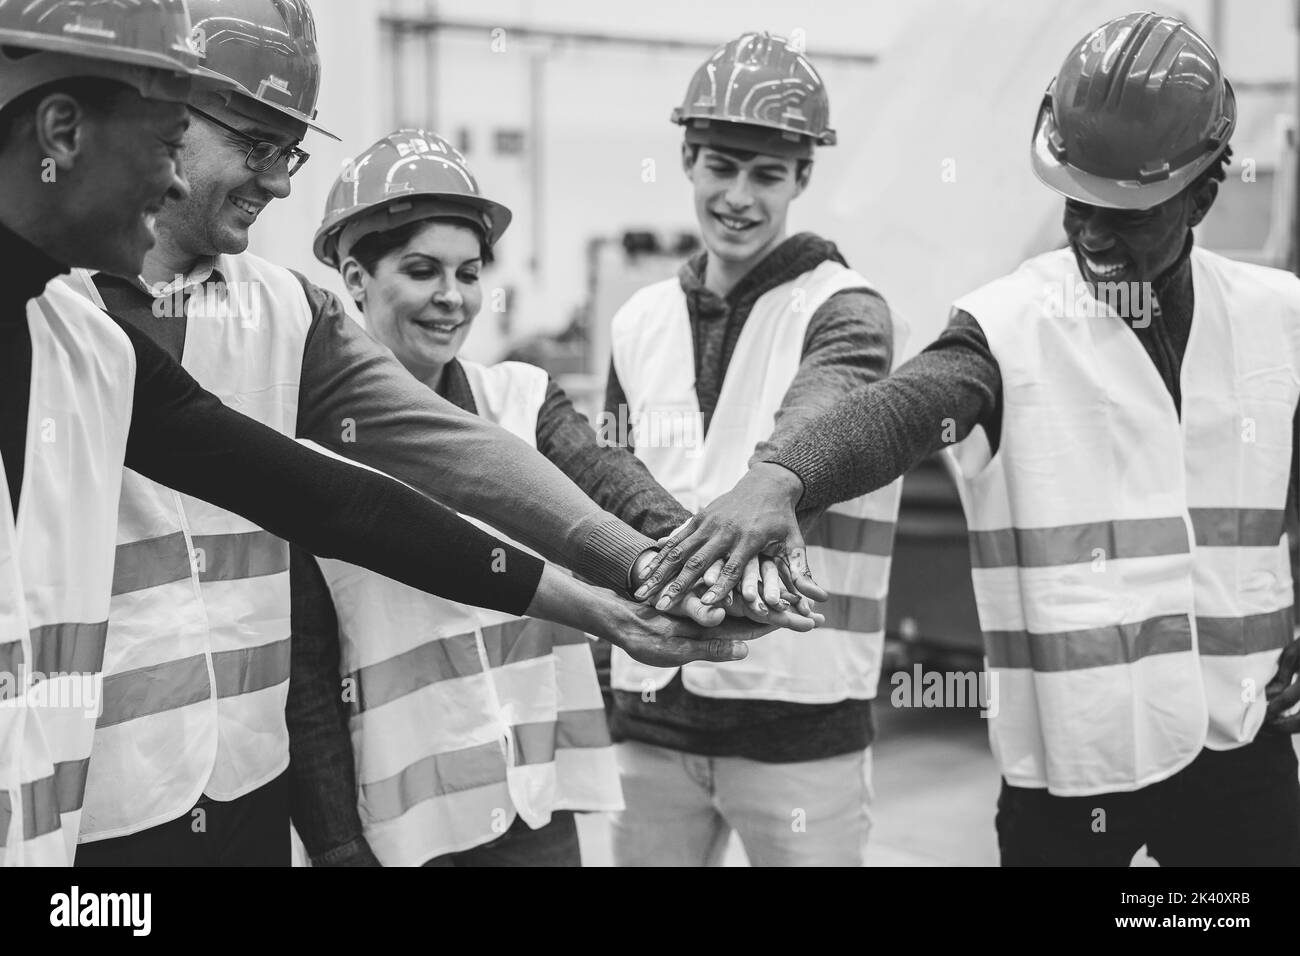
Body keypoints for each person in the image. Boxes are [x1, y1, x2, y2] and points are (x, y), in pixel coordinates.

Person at [0, 0, 756, 867]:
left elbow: (440, 460)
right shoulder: (64, 319)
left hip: (243, 780)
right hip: (85, 798)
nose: (279, 181)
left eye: (292, 153)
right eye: (252, 145)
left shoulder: (277, 313)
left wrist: (636, 569)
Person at [642, 12, 1300, 865]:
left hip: (1237, 735)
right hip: (1077, 762)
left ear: (1204, 194)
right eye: (1074, 201)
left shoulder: (1276, 320)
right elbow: (904, 408)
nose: (1091, 233)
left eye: (1124, 212)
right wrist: (783, 476)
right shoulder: (1009, 324)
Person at [289, 130, 821, 867]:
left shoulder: (521, 399)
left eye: (469, 273)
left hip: (537, 806)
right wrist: (337, 848)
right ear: (354, 275)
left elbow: (618, 490)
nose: (452, 297)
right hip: (411, 832)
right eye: (421, 271)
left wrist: (719, 560)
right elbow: (309, 680)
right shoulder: (311, 453)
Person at [603, 32, 906, 867]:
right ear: (689, 160)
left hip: (799, 719)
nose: (739, 196)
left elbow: (824, 411)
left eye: (767, 174)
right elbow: (610, 483)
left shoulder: (847, 310)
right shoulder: (637, 323)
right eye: (722, 167)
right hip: (651, 712)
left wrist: (774, 480)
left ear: (802, 177)